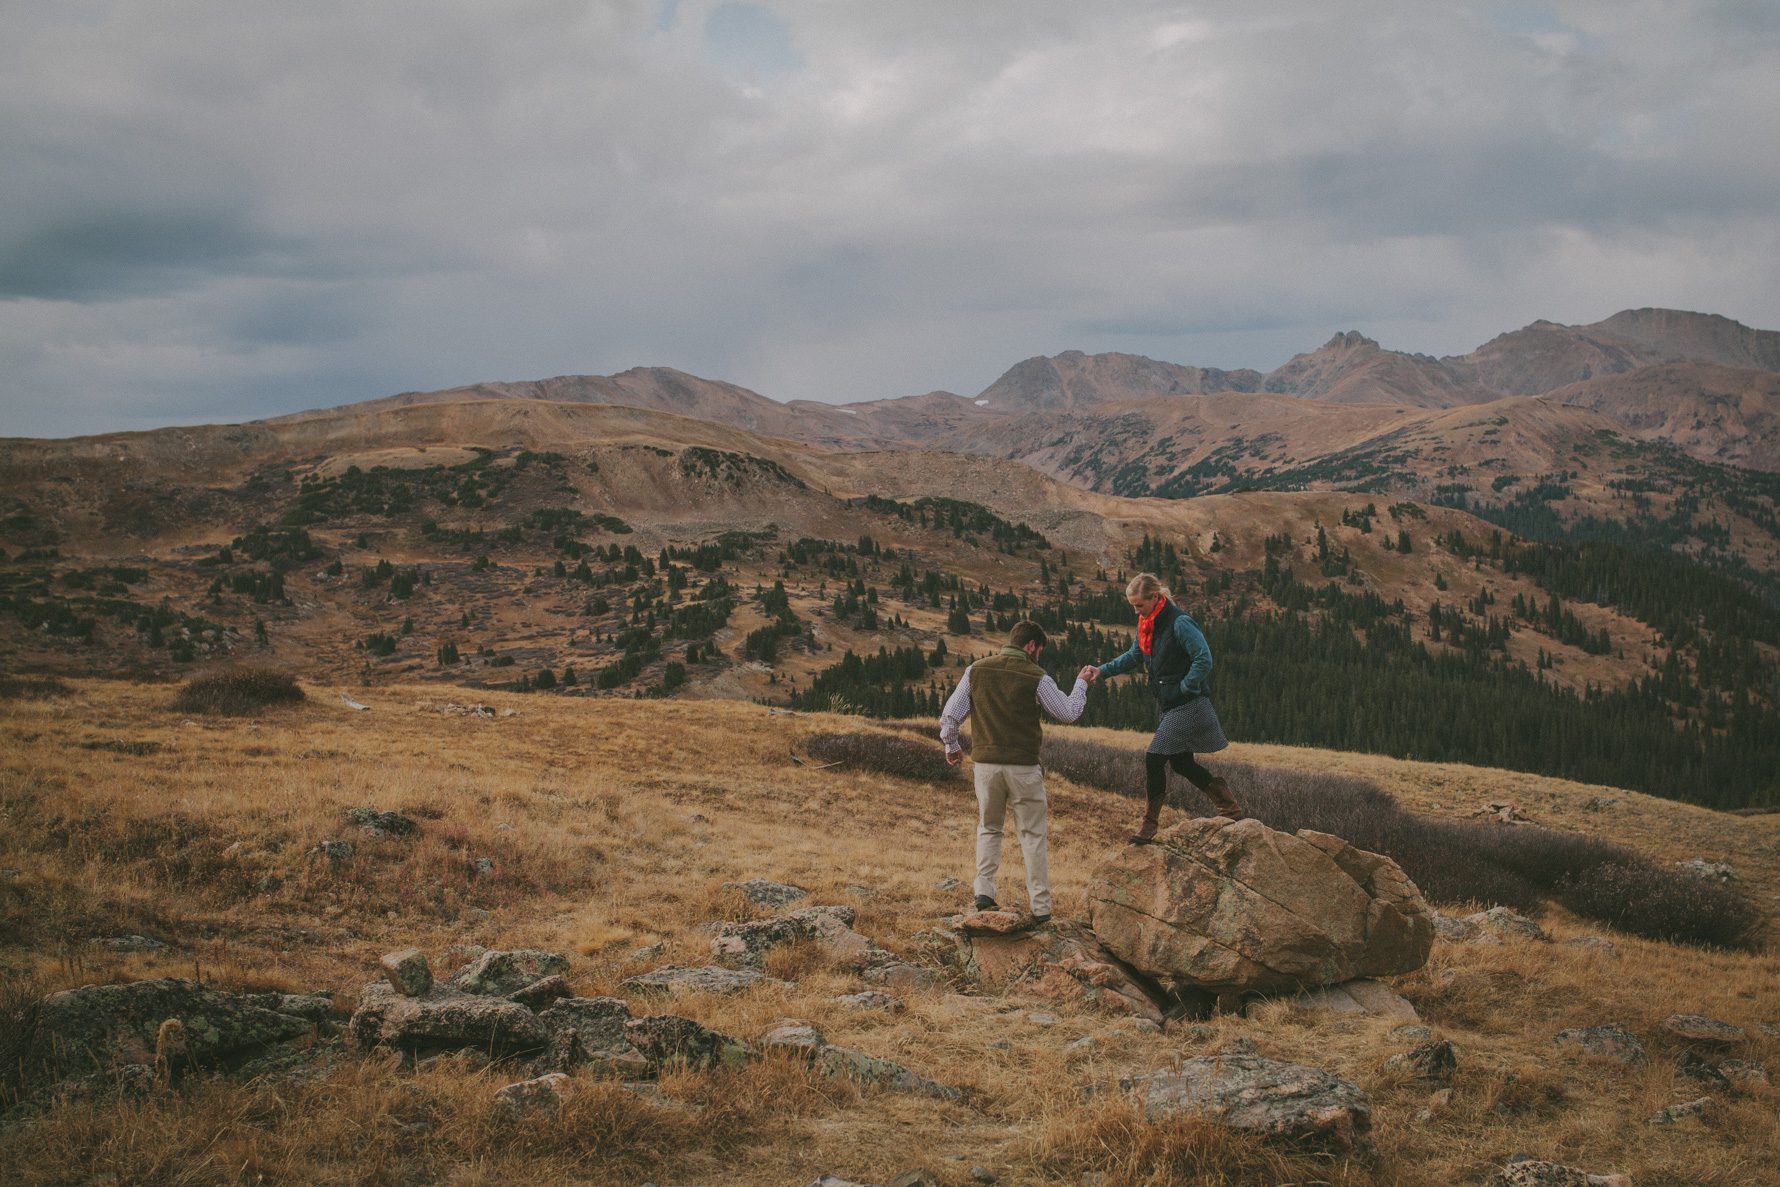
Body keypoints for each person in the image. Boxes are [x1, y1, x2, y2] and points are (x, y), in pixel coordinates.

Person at [939, 620, 1095, 924]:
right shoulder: (1036, 676)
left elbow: (951, 715)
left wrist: (951, 745)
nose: (1039, 655)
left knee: (989, 826)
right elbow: (1068, 713)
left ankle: (984, 893)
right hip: (1023, 767)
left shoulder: (977, 670)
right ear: (1032, 646)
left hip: (985, 765)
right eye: (1040, 650)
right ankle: (1041, 908)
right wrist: (1081, 684)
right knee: (1032, 835)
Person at [1090, 572, 1242, 842]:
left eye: (1139, 605)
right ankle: (1230, 808)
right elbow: (1135, 655)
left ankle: (1149, 825)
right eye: (1133, 606)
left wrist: (1186, 686)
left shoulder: (1179, 622)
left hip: (1189, 703)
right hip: (1170, 705)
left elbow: (1203, 658)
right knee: (1182, 763)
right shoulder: (1146, 624)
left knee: (1154, 758)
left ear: (1155, 597)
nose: (1136, 610)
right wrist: (1101, 671)